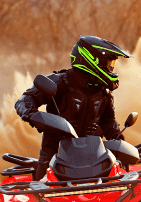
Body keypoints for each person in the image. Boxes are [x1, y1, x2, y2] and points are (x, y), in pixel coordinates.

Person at [15, 35, 132, 180]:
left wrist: (119, 142)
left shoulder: (104, 92)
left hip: (96, 161)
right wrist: (32, 115)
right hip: (54, 159)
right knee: (39, 196)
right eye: (109, 64)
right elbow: (24, 100)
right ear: (92, 60)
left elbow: (108, 123)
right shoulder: (59, 82)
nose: (111, 69)